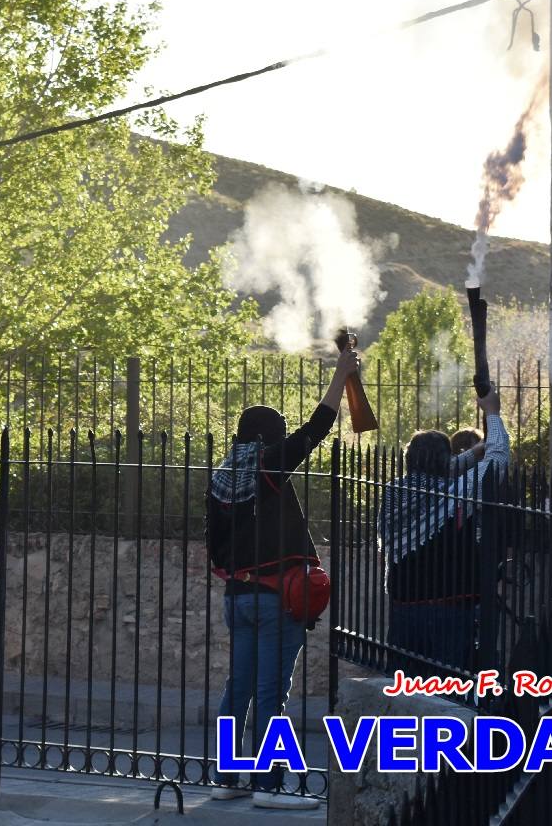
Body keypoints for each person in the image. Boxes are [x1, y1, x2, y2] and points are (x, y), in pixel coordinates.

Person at [206, 345, 359, 811]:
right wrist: (341, 374)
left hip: (238, 597)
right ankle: (270, 786)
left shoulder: (219, 477)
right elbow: (318, 427)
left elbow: (214, 547)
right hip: (277, 598)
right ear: (269, 437)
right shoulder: (269, 466)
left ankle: (228, 776)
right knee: (272, 690)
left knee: (240, 687)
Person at [379, 389, 509, 674]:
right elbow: (498, 461)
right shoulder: (452, 494)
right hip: (448, 609)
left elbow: (439, 470)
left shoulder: (393, 492)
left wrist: (476, 450)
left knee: (404, 689)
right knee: (445, 689)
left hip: (403, 608)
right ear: (444, 461)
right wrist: (493, 414)